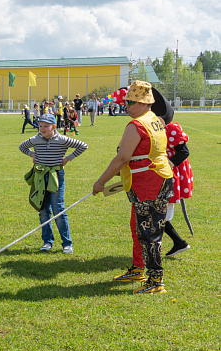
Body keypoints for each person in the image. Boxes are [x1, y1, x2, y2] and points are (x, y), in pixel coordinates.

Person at [93, 80, 173, 294]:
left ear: (142, 102)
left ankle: (156, 281)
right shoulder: (155, 120)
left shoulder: (137, 125)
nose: (125, 105)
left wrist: (101, 182)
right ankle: (139, 269)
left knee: (149, 233)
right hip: (157, 179)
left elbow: (122, 158)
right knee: (142, 230)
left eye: (130, 101)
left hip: (148, 183)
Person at [20, 113, 87, 254]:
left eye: (46, 126)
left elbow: (82, 146)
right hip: (40, 177)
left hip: (56, 176)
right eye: (40, 126)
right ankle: (47, 242)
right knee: (43, 209)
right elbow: (22, 147)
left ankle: (67, 243)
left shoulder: (62, 139)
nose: (42, 129)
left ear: (54, 127)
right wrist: (32, 154)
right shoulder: (35, 139)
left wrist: (68, 158)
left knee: (58, 209)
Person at [162, 122, 193, 257]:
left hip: (170, 175)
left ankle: (179, 242)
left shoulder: (170, 128)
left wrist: (169, 163)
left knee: (160, 215)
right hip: (165, 174)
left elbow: (184, 151)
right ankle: (178, 242)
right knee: (160, 215)